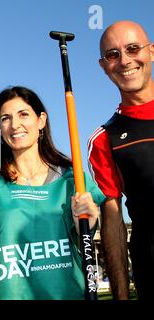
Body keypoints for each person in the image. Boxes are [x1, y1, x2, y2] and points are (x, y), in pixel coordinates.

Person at [0, 86, 105, 300]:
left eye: (23, 114)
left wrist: (89, 220)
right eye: (5, 118)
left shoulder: (73, 179)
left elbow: (87, 236)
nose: (15, 125)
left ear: (41, 120)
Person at [88, 20, 154, 300]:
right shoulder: (104, 139)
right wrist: (120, 296)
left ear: (151, 52)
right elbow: (113, 222)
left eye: (133, 48)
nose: (125, 60)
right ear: (104, 66)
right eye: (113, 55)